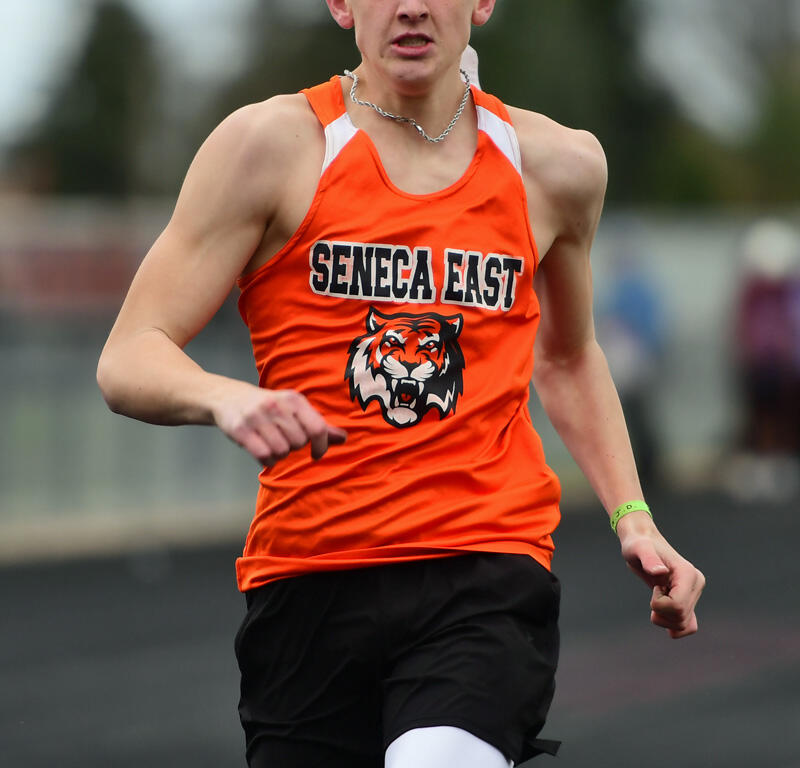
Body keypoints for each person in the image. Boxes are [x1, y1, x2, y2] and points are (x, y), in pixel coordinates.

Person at [97, 2, 705, 766]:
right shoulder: (271, 146)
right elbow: (129, 354)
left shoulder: (555, 165)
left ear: (482, 3)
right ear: (341, 4)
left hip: (483, 567)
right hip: (308, 578)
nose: (412, 5)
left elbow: (569, 357)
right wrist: (225, 397)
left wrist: (634, 517)